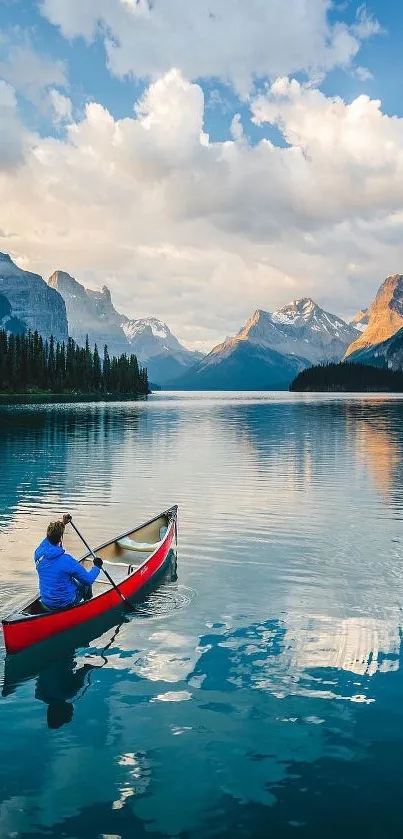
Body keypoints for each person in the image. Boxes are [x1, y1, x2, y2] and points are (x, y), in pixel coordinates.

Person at [34, 513, 103, 611]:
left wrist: (63, 524)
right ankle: (87, 604)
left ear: (48, 536)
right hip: (65, 603)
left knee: (68, 579)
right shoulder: (67, 560)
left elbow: (50, 538)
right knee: (85, 583)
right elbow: (88, 580)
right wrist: (97, 567)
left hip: (46, 600)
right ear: (61, 538)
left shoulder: (38, 552)